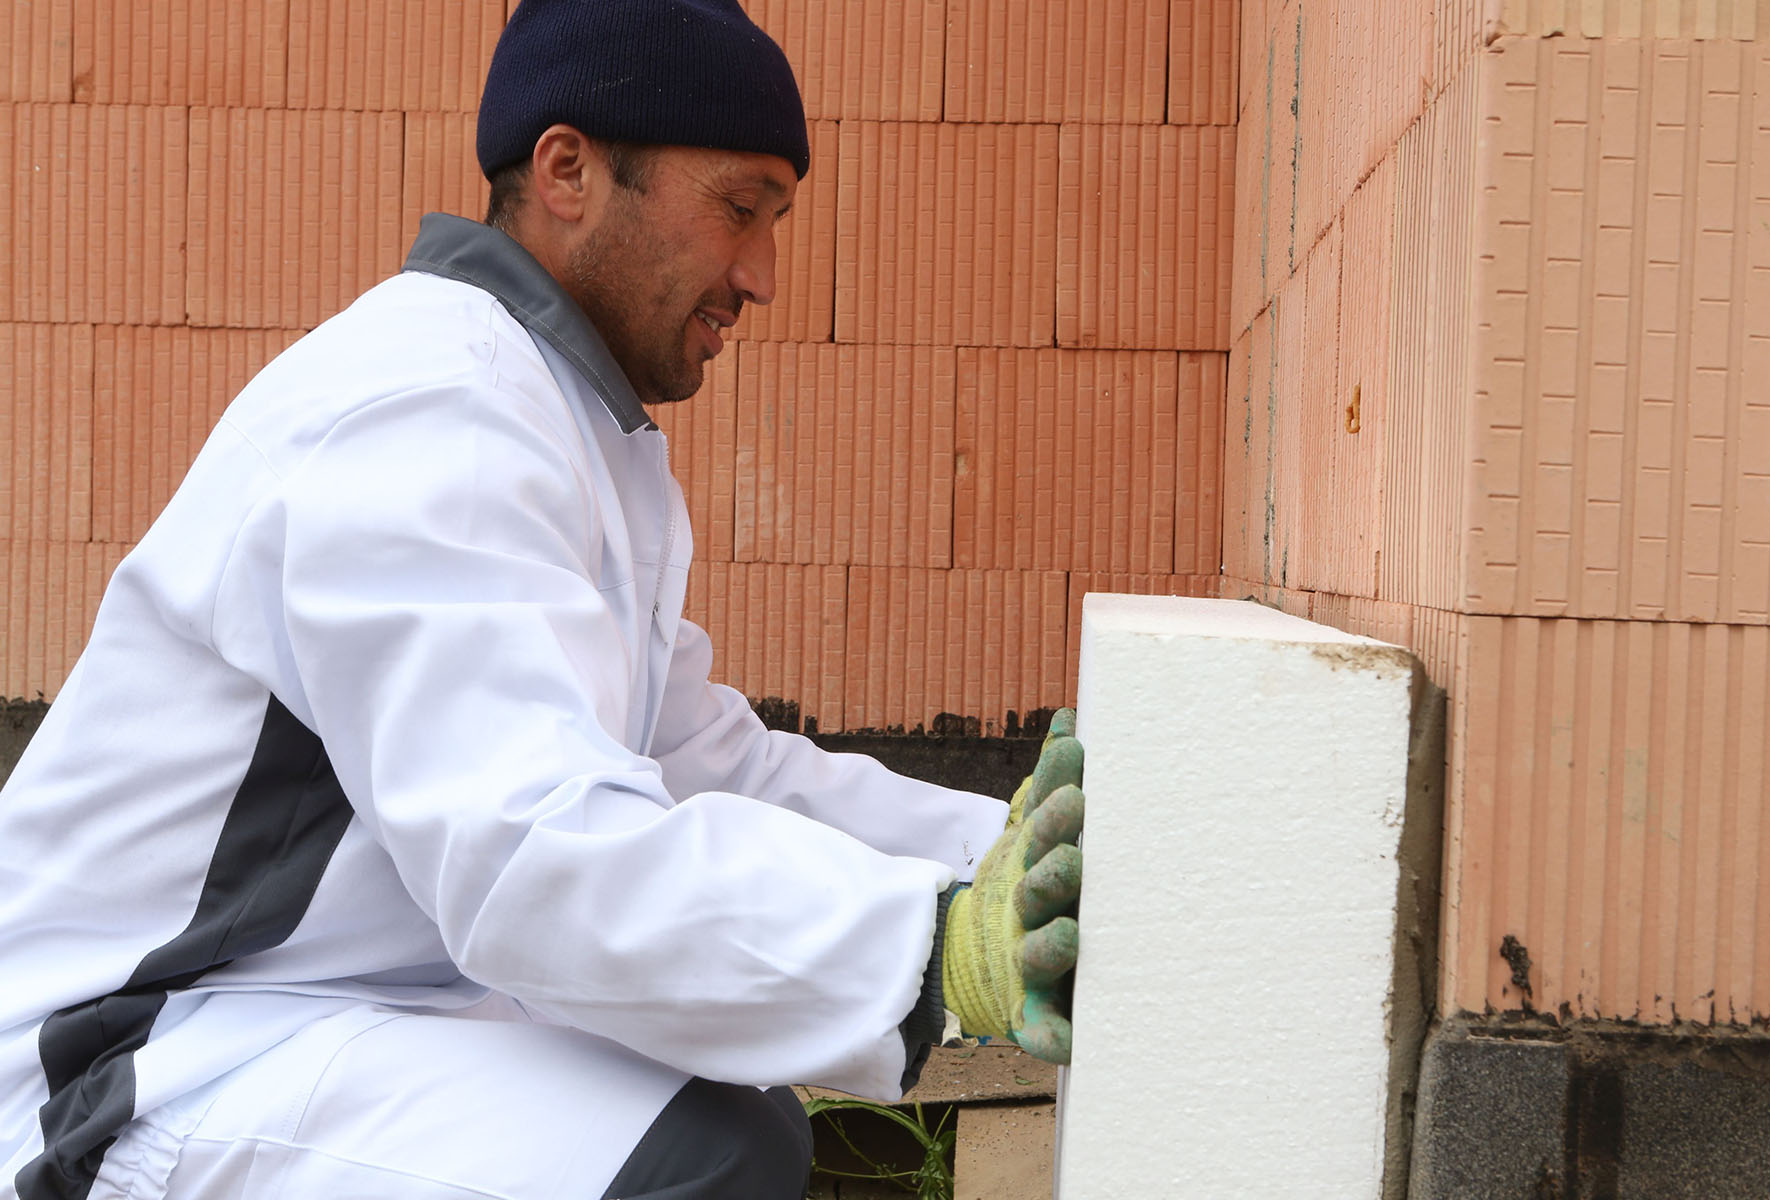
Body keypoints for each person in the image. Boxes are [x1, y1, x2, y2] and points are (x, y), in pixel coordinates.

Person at [0, 2, 1085, 1197]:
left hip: (314, 1015)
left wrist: (1006, 853)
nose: (763, 277)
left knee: (735, 1117)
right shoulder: (428, 409)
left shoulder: (559, 420)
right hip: (128, 1064)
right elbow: (525, 853)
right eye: (740, 208)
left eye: (777, 222)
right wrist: (940, 950)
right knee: (696, 1158)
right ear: (568, 171)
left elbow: (705, 768)